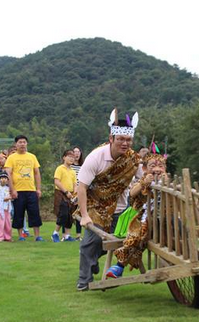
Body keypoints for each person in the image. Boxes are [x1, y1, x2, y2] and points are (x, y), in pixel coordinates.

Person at [76, 108, 142, 291]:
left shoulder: (134, 160)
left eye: (128, 140)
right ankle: (84, 282)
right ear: (111, 138)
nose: (124, 143)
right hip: (94, 206)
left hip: (119, 208)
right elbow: (81, 187)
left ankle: (94, 260)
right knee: (90, 243)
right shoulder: (96, 157)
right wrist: (84, 215)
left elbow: (142, 181)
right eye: (120, 139)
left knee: (113, 243)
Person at [107, 144, 167, 278]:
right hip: (145, 219)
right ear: (145, 168)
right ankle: (120, 265)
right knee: (136, 236)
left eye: (160, 166)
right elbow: (132, 193)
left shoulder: (168, 181)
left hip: (165, 218)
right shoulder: (142, 180)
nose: (157, 169)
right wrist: (144, 183)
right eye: (152, 166)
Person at [4, 135, 44, 242]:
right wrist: (12, 190)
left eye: (24, 142)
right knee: (19, 213)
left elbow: (37, 173)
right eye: (20, 142)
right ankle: (21, 235)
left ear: (27, 144)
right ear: (16, 144)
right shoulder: (11, 158)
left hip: (31, 190)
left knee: (34, 212)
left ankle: (37, 236)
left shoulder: (32, 157)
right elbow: (9, 174)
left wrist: (38, 188)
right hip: (18, 190)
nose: (22, 144)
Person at [51, 149, 77, 242]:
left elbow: (75, 184)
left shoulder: (73, 171)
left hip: (70, 194)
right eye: (69, 156)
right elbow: (57, 181)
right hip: (61, 193)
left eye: (73, 157)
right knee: (63, 213)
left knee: (70, 215)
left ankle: (67, 235)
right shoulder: (60, 168)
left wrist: (74, 193)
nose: (71, 158)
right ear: (64, 157)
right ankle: (55, 233)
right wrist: (66, 192)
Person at [71, 146, 84, 240]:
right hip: (71, 192)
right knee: (68, 213)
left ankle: (78, 234)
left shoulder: (84, 166)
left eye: (78, 151)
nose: (77, 154)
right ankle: (65, 234)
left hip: (81, 192)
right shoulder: (69, 166)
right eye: (75, 152)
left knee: (79, 213)